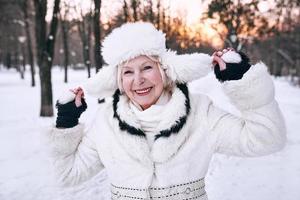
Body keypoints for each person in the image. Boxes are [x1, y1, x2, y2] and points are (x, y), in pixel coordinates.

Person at [46, 22, 286, 200]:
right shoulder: (106, 122)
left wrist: (243, 83)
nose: (138, 80)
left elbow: (267, 139)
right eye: (128, 72)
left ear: (163, 70)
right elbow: (66, 175)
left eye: (147, 67)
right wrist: (66, 124)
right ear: (118, 79)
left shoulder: (200, 112)